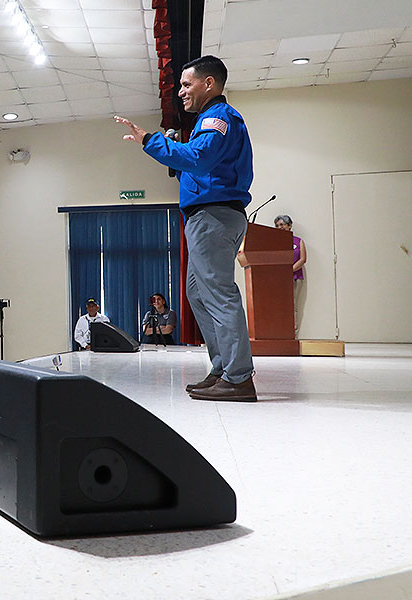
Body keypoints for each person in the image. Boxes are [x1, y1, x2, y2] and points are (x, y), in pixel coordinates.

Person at [116, 54, 257, 401]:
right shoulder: (208, 121)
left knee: (219, 294)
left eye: (186, 83)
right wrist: (171, 148)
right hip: (207, 216)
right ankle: (223, 368)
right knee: (197, 292)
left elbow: (199, 158)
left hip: (214, 215)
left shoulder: (218, 118)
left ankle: (239, 377)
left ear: (209, 83)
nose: (180, 91)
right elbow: (197, 161)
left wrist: (152, 141)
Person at [275, 214, 307, 332]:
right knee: (280, 305)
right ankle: (280, 332)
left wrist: (289, 271)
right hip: (279, 278)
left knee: (292, 305)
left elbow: (303, 259)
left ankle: (293, 332)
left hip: (295, 278)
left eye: (282, 224)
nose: (280, 227)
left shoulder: (299, 241)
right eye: (277, 225)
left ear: (289, 226)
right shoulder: (274, 242)